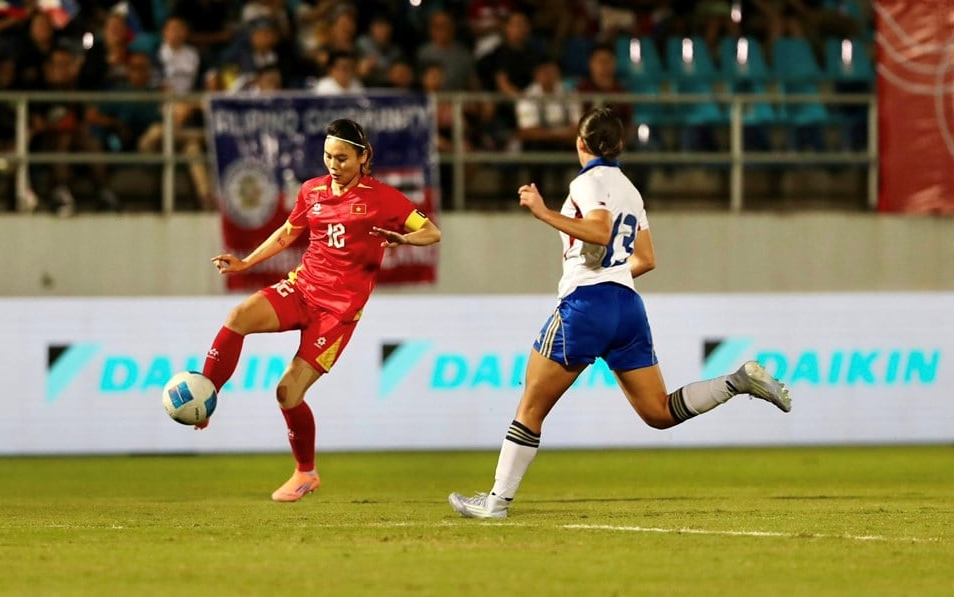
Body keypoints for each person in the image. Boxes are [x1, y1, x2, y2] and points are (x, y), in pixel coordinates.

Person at [448, 107, 792, 519]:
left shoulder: (587, 182)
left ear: (581, 143)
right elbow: (646, 258)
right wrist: (611, 276)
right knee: (658, 412)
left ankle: (496, 503)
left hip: (586, 306)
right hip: (626, 306)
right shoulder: (630, 189)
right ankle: (736, 382)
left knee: (531, 407)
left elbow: (599, 231)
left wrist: (542, 212)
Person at [195, 118, 442, 502]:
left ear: (363, 157)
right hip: (301, 288)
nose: (333, 164)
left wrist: (404, 239)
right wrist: (245, 263)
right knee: (238, 317)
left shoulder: (383, 198)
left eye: (342, 158)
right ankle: (206, 396)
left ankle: (306, 472)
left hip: (337, 313)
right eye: (328, 156)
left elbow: (431, 232)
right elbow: (287, 233)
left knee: (287, 393)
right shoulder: (312, 191)